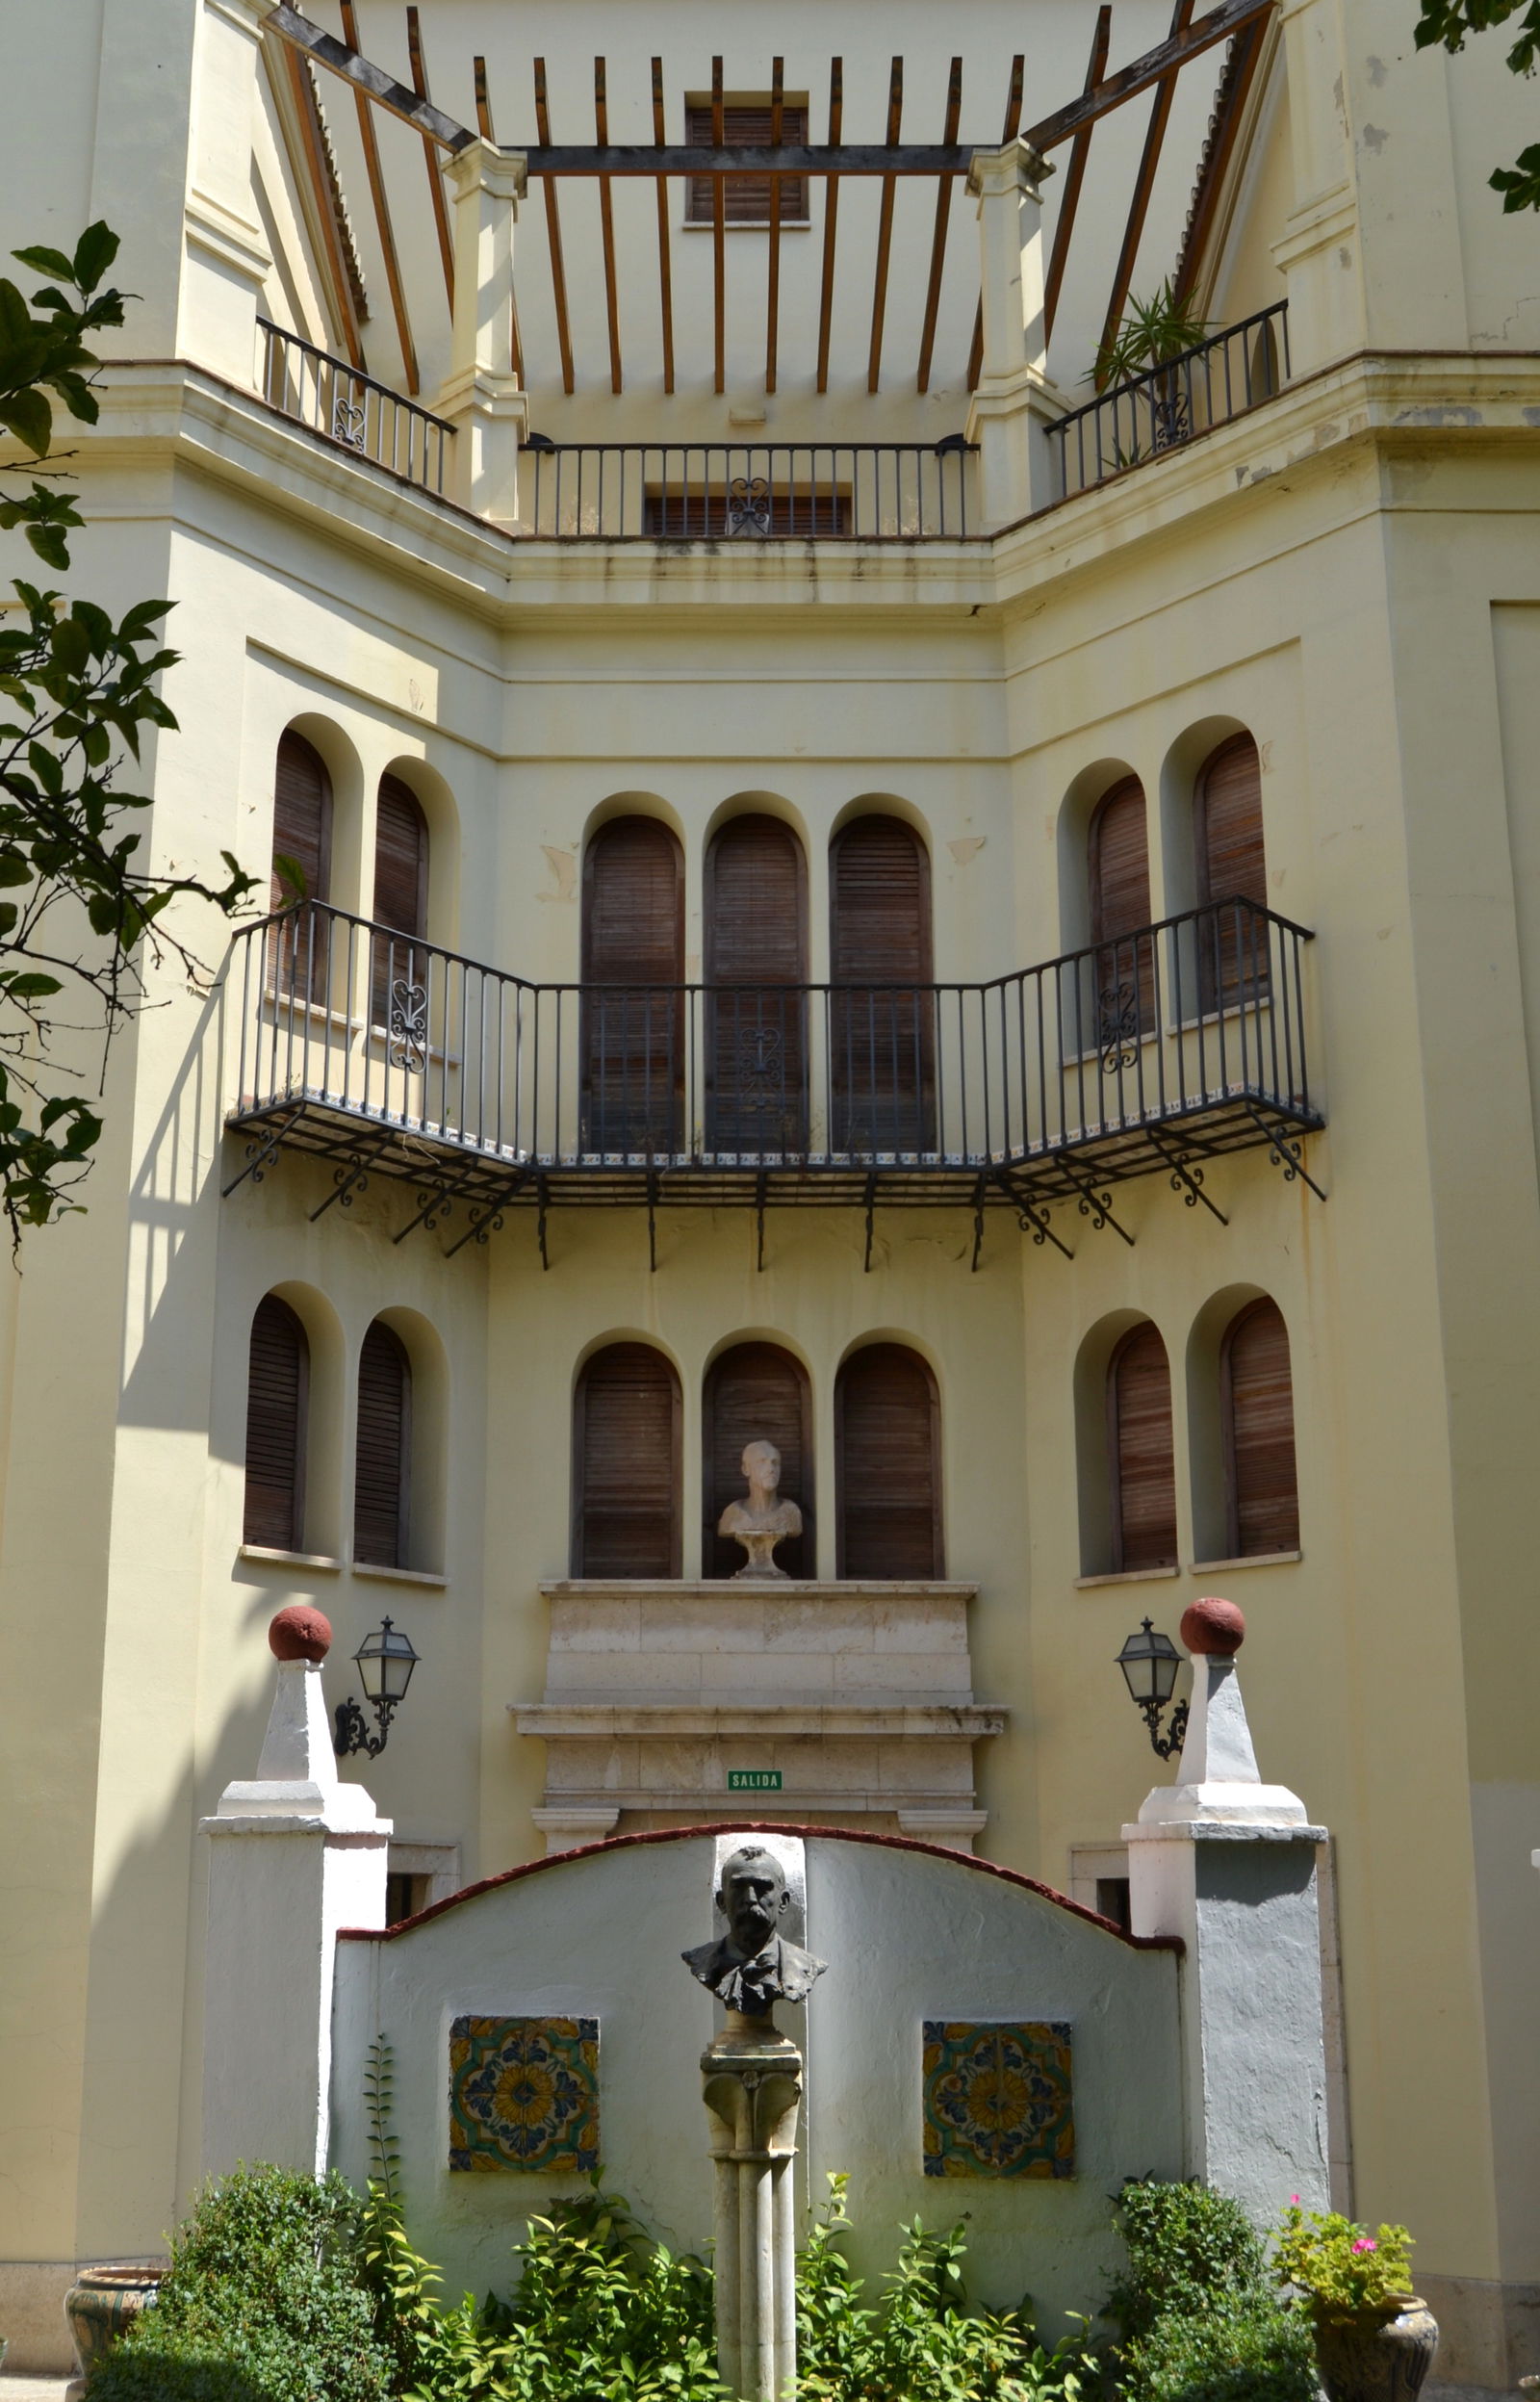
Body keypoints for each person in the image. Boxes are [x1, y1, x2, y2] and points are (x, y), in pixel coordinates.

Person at [681, 1844, 826, 2016]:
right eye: (738, 1888)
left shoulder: (806, 1965)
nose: (750, 1898)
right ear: (721, 1902)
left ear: (784, 1902)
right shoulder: (702, 1961)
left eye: (762, 1888)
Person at [718, 1438, 802, 1579]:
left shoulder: (791, 1513)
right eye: (761, 1462)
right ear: (746, 1469)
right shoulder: (732, 1514)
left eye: (775, 1463)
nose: (771, 1469)